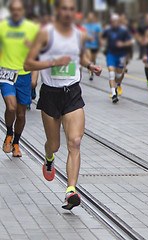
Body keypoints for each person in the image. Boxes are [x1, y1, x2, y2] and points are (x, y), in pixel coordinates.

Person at [24, 0, 102, 210]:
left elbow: (80, 57)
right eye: (64, 9)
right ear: (57, 11)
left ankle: (70, 191)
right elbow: (28, 64)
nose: (67, 13)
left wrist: (90, 65)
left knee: (75, 142)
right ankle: (49, 158)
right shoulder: (45, 34)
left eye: (71, 9)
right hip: (50, 94)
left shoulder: (79, 34)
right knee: (54, 145)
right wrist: (52, 63)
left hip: (72, 93)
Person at [0, 0, 39, 157]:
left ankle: (16, 142)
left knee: (21, 115)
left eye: (19, 10)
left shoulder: (32, 29)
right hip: (6, 74)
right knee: (11, 108)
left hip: (24, 76)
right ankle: (9, 133)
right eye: (13, 10)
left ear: (23, 11)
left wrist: (34, 78)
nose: (16, 12)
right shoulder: (2, 27)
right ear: (11, 11)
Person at [101, 14, 133, 103]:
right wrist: (102, 43)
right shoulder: (108, 30)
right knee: (111, 72)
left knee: (119, 74)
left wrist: (123, 44)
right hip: (111, 54)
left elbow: (131, 41)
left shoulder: (123, 31)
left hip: (121, 55)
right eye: (113, 21)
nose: (114, 23)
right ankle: (113, 94)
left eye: (116, 21)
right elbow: (102, 37)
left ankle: (117, 84)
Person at [84, 12, 102, 81]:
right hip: (87, 45)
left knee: (93, 60)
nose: (90, 19)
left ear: (93, 18)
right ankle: (90, 73)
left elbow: (99, 35)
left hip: (95, 45)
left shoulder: (96, 26)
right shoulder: (85, 26)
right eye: (89, 17)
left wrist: (101, 42)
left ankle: (92, 70)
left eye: (91, 17)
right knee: (89, 58)